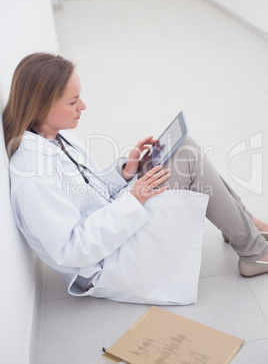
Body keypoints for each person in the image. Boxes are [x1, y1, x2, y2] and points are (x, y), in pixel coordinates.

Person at [3, 53, 268, 305]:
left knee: (183, 145)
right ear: (41, 106)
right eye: (73, 102)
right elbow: (73, 249)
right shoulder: (34, 175)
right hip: (108, 263)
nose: (82, 106)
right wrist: (133, 199)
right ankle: (254, 253)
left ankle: (242, 223)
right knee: (187, 157)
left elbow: (88, 189)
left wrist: (126, 172)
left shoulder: (58, 137)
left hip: (115, 223)